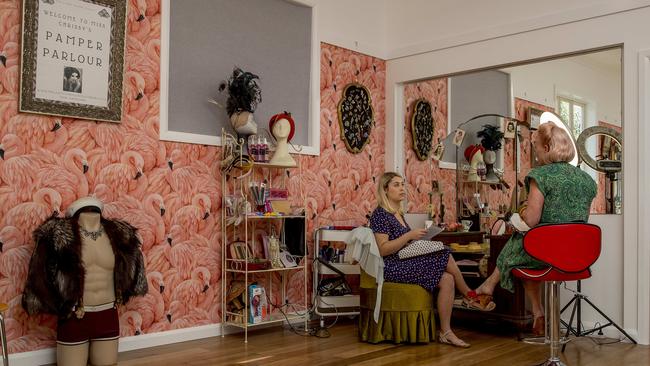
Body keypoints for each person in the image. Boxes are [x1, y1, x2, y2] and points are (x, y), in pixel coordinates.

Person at [473, 121, 597, 336]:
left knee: (519, 242)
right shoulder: (587, 180)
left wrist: (520, 214)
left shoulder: (540, 175)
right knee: (523, 248)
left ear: (547, 148)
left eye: (537, 147)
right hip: (579, 255)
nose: (536, 152)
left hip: (547, 252)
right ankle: (536, 312)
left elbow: (531, 220)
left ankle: (489, 287)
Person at [369, 172, 495, 349]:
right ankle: (470, 295)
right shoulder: (380, 214)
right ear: (385, 189)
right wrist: (409, 236)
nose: (402, 188)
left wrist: (418, 240)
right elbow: (383, 249)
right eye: (396, 185)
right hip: (392, 266)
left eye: (402, 184)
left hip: (405, 259)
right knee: (444, 252)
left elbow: (404, 242)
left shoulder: (398, 213)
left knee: (448, 279)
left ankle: (446, 332)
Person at [23, 196, 148, 366]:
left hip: (108, 314)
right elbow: (40, 275)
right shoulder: (57, 238)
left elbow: (134, 270)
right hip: (74, 316)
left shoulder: (121, 236)